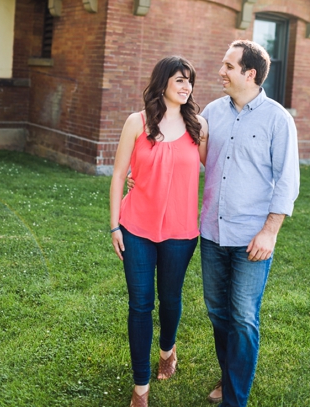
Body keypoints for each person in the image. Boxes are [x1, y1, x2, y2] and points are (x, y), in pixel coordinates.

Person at [199, 40, 298, 407]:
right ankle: (230, 378)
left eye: (228, 65)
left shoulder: (277, 119)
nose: (220, 71)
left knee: (242, 317)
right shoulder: (212, 111)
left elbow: (287, 181)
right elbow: (192, 158)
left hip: (251, 238)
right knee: (217, 311)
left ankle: (235, 399)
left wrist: (270, 231)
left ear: (249, 73)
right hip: (211, 232)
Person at [110, 56, 208, 407]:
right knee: (140, 305)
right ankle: (141, 388)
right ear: (163, 82)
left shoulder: (199, 127)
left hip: (181, 233)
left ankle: (168, 349)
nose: (186, 87)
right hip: (135, 227)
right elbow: (120, 175)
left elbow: (216, 170)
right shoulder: (136, 122)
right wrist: (114, 225)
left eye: (189, 81)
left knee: (170, 299)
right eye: (180, 80)